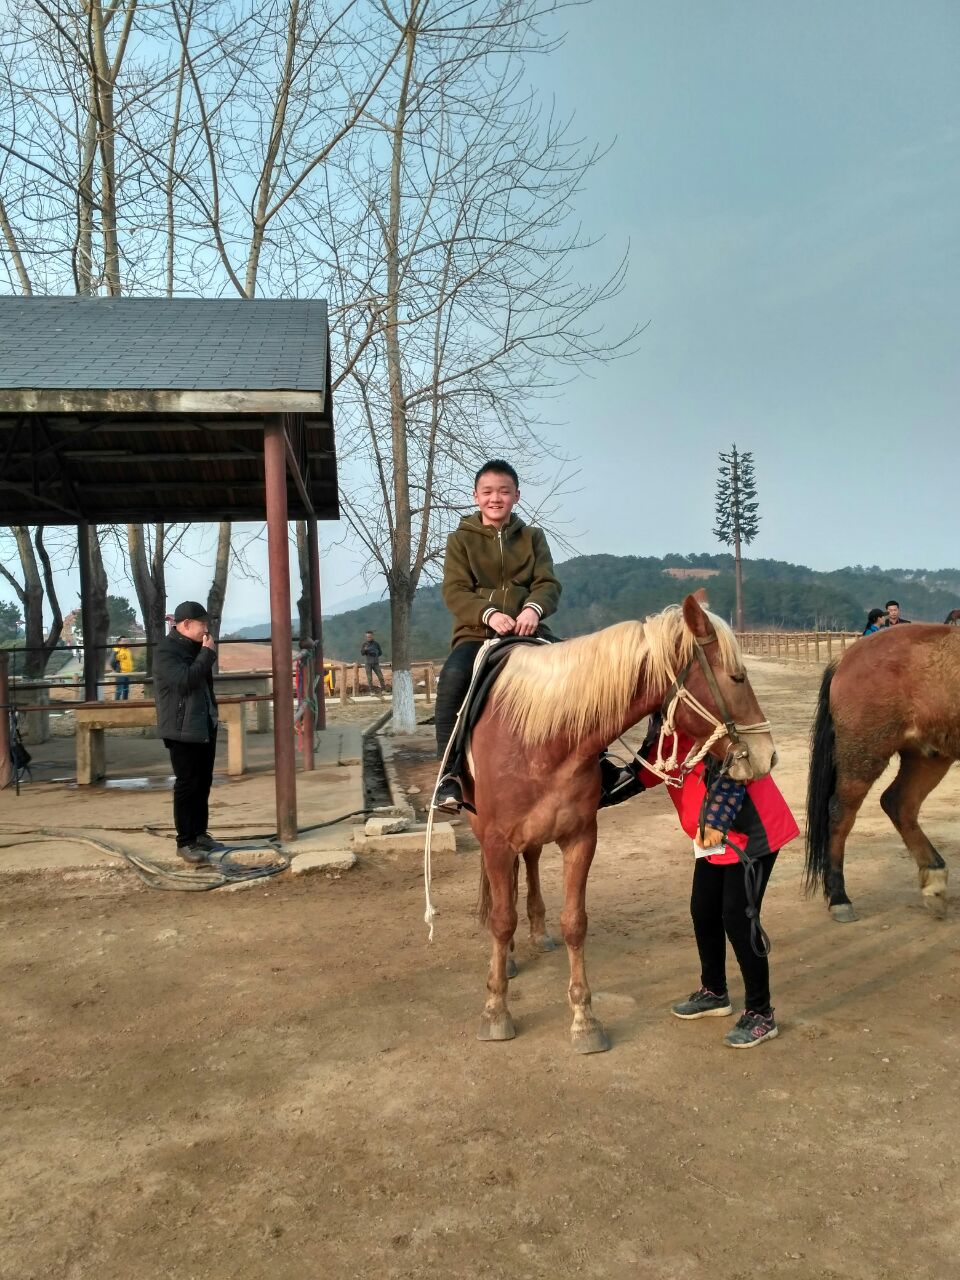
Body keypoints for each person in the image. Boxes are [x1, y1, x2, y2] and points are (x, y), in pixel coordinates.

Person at [635, 718, 799, 1048]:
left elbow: (733, 773)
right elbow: (641, 775)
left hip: (753, 834)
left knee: (738, 918)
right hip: (712, 838)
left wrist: (715, 821)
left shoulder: (709, 725)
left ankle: (761, 1013)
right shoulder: (665, 740)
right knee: (703, 910)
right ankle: (715, 992)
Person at [433, 460, 562, 812]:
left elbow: (547, 583)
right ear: (476, 497)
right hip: (476, 632)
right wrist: (489, 614)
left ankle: (595, 763)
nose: (496, 498)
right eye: (488, 492)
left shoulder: (534, 538)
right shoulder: (460, 541)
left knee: (576, 673)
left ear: (516, 496)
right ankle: (449, 775)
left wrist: (532, 609)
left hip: (529, 627)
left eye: (504, 491)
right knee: (452, 679)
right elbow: (455, 590)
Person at [154, 601, 225, 864]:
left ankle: (199, 834)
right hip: (181, 728)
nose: (206, 630)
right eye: (202, 624)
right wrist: (207, 654)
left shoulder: (197, 647)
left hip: (204, 725)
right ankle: (185, 841)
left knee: (203, 781)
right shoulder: (167, 650)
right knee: (187, 784)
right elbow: (185, 680)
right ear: (185, 624)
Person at [360, 630, 386, 697]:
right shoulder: (364, 644)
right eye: (368, 637)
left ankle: (383, 690)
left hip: (376, 663)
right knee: (369, 679)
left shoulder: (376, 644)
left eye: (370, 636)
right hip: (368, 663)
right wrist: (365, 650)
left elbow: (380, 652)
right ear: (366, 637)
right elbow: (362, 653)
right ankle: (372, 692)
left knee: (381, 677)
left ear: (372, 636)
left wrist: (375, 654)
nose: (369, 638)